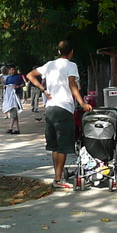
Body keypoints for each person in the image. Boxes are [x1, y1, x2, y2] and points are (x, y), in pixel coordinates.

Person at [26, 40, 92, 189]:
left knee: (54, 145)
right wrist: (82, 104)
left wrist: (43, 89)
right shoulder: (71, 66)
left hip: (50, 108)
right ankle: (58, 179)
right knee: (63, 145)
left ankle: (58, 175)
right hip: (64, 108)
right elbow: (72, 85)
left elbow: (30, 75)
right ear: (71, 52)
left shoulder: (49, 65)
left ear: (58, 52)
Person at [1, 66, 24, 134]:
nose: (13, 71)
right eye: (12, 70)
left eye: (14, 70)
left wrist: (17, 86)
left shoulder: (19, 76)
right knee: (13, 112)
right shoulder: (8, 78)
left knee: (13, 110)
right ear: (9, 71)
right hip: (9, 96)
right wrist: (5, 87)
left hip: (16, 95)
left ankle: (10, 128)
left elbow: (23, 84)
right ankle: (17, 129)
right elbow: (5, 85)